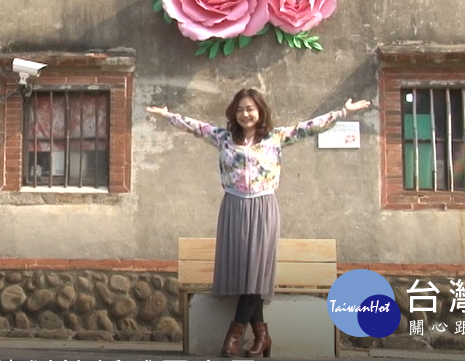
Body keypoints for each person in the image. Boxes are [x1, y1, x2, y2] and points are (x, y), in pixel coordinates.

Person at [147, 89, 371, 358]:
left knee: (256, 271)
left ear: (260, 111)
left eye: (250, 109)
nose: (245, 114)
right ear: (234, 112)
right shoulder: (224, 138)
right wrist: (167, 115)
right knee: (244, 273)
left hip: (263, 207)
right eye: (240, 109)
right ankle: (262, 336)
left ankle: (235, 333)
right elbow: (195, 127)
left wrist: (343, 112)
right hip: (233, 206)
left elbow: (308, 128)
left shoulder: (276, 138)